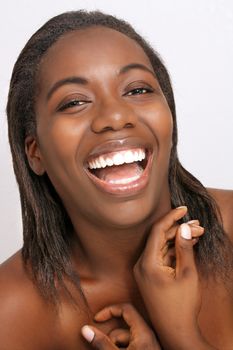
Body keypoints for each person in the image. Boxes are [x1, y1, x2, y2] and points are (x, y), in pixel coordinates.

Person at [0, 10, 233, 349]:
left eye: (137, 90)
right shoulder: (11, 314)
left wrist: (180, 333)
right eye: (75, 102)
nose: (114, 116)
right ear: (35, 152)